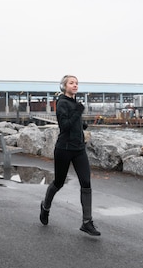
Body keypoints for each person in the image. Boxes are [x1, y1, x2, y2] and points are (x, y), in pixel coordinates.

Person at [39, 75, 100, 236]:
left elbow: (74, 123)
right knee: (58, 182)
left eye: (77, 83)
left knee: (86, 182)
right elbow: (64, 126)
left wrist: (81, 125)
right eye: (71, 83)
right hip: (64, 149)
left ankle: (87, 222)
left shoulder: (74, 102)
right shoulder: (61, 103)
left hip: (79, 149)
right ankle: (45, 207)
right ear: (64, 86)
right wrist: (78, 113)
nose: (75, 85)